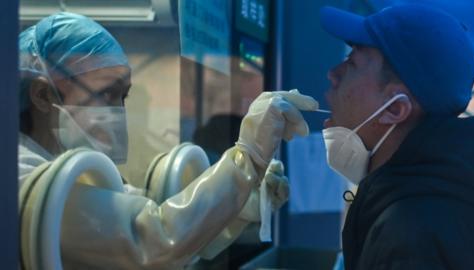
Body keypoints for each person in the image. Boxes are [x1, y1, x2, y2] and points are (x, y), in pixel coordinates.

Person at [18, 12, 317, 269]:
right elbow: (154, 240)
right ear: (44, 95)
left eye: (122, 97)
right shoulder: (22, 176)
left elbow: (165, 219)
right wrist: (246, 159)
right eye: (105, 94)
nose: (118, 112)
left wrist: (240, 209)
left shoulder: (66, 169)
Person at [318, 4, 474, 270]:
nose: (333, 74)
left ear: (395, 109)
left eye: (352, 62)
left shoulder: (408, 236)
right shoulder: (445, 191)